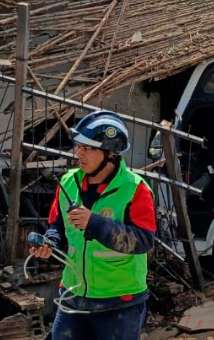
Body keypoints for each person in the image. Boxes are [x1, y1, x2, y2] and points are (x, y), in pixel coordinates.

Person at [30, 111, 156, 340]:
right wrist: (49, 244)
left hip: (119, 304)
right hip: (73, 297)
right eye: (78, 146)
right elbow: (56, 226)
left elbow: (143, 241)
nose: (79, 154)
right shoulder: (68, 182)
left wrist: (95, 223)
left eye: (88, 148)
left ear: (110, 154)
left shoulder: (135, 189)